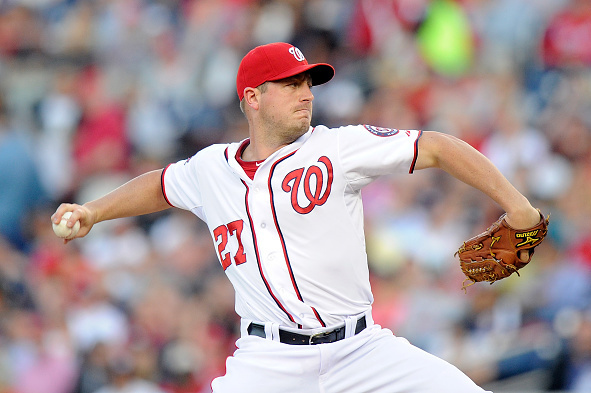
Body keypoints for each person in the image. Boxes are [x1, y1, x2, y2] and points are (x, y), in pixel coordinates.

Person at [52, 42, 543, 392]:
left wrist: (518, 207)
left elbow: (434, 146)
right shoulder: (211, 169)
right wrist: (95, 210)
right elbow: (159, 186)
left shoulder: (336, 148)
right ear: (252, 97)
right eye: (290, 84)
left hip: (362, 350)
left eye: (308, 82)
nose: (306, 93)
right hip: (269, 361)